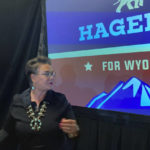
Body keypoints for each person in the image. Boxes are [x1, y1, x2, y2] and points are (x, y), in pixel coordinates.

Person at [0, 56, 79, 150]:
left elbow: (73, 133)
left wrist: (74, 130)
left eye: (53, 74)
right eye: (47, 74)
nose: (52, 77)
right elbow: (6, 130)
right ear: (33, 78)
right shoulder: (18, 100)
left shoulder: (61, 100)